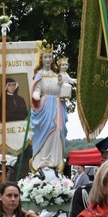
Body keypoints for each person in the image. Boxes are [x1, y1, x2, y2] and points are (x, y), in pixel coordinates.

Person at [30, 42, 70, 172]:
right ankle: (43, 161)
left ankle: (54, 160)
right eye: (45, 57)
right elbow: (37, 89)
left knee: (57, 131)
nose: (48, 59)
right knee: (46, 131)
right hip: (45, 106)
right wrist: (36, 95)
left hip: (57, 106)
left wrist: (64, 89)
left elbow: (60, 89)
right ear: (41, 59)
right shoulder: (39, 75)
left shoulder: (56, 75)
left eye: (50, 57)